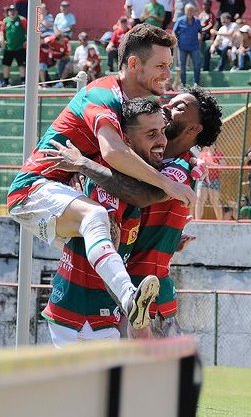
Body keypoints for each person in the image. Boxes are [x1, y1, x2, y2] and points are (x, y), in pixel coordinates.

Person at [7, 24, 193, 332]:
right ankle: (129, 299)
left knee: (103, 225)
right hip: (32, 191)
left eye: (169, 66)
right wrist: (167, 184)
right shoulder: (103, 95)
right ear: (134, 64)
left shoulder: (132, 110)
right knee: (95, 216)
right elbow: (113, 152)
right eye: (161, 66)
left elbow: (134, 187)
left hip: (62, 197)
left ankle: (118, 310)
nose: (167, 73)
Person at [43, 88, 223, 339]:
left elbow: (140, 195)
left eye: (179, 107)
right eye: (170, 101)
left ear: (194, 129)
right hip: (127, 284)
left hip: (146, 289)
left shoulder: (181, 167)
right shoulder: (146, 161)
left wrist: (85, 165)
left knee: (146, 371)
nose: (168, 106)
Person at [41, 98, 168, 347]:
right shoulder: (106, 180)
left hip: (101, 312)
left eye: (163, 132)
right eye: (151, 134)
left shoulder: (129, 184)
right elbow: (108, 233)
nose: (162, 141)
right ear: (127, 141)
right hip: (80, 312)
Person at [173, 4, 203, 86]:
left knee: (197, 64)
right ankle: (183, 83)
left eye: (191, 10)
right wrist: (176, 41)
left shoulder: (197, 21)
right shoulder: (180, 20)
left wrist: (200, 39)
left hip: (194, 46)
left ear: (193, 11)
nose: (190, 12)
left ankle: (196, 82)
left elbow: (200, 32)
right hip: (182, 46)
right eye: (188, 10)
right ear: (185, 11)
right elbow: (174, 32)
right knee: (182, 66)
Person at [195, 144, 225, 220]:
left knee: (214, 201)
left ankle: (220, 221)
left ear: (215, 146)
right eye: (208, 145)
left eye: (212, 145)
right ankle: (197, 220)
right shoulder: (203, 154)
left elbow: (223, 165)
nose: (209, 146)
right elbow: (198, 164)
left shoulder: (218, 153)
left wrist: (211, 164)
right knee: (199, 199)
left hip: (214, 179)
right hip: (203, 178)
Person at [0, 5, 27, 87]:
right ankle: (6, 82)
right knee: (6, 64)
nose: (12, 12)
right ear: (8, 12)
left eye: (14, 10)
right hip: (8, 47)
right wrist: (1, 39)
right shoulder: (5, 21)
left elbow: (28, 30)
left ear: (17, 11)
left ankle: (23, 81)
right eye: (10, 10)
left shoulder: (22, 20)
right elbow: (2, 31)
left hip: (20, 46)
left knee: (21, 64)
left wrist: (26, 40)